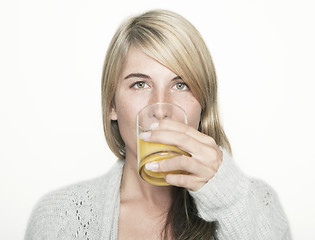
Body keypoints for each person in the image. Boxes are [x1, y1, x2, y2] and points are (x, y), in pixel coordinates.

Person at [25, 9, 291, 240]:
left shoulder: (256, 205)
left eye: (180, 85)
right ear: (112, 105)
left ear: (203, 105)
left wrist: (228, 199)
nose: (161, 108)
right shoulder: (59, 217)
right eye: (140, 84)